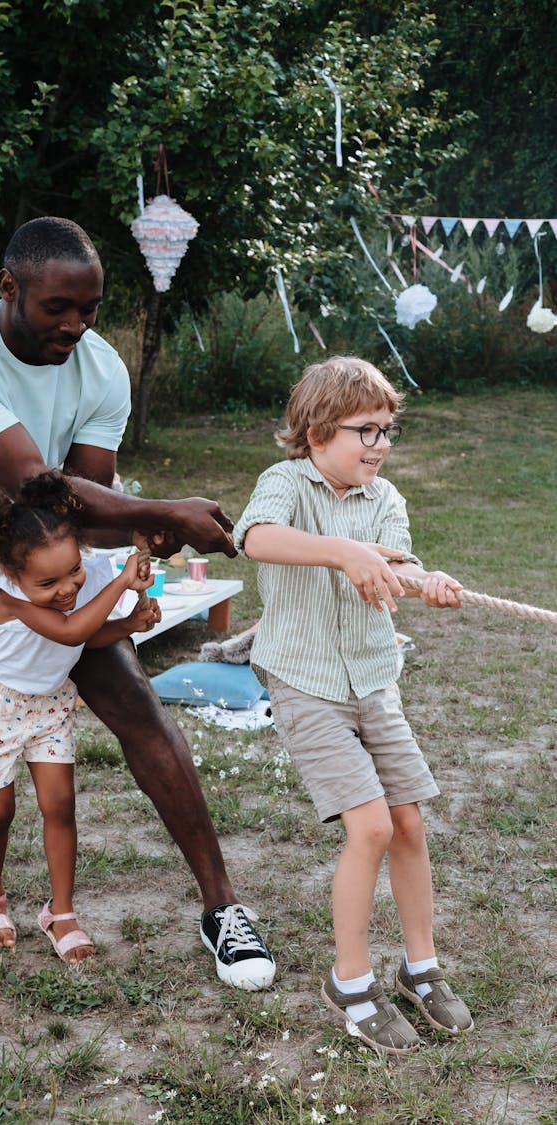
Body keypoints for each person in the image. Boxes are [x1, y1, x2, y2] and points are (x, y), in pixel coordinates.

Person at [0, 216, 276, 991]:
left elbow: (81, 508)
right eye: (56, 308)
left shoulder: (99, 369)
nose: (74, 325)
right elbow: (34, 481)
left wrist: (141, 526)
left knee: (135, 700)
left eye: (90, 309)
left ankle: (223, 907)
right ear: (9, 288)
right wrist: (162, 509)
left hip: (57, 551)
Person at [233, 356, 473, 1053]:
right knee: (367, 828)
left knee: (406, 823)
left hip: (373, 679)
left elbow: (393, 568)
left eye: (387, 430)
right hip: (305, 682)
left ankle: (420, 968)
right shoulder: (284, 483)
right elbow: (255, 539)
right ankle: (351, 980)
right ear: (315, 432)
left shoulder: (385, 498)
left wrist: (423, 580)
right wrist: (341, 551)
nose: (379, 443)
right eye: (365, 429)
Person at [0, 470, 159, 962]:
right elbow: (68, 632)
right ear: (14, 575)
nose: (68, 587)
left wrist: (129, 621)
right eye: (47, 582)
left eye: (73, 571)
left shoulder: (84, 580)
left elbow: (84, 637)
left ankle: (61, 911)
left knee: (60, 805)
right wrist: (118, 586)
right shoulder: (5, 599)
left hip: (49, 704)